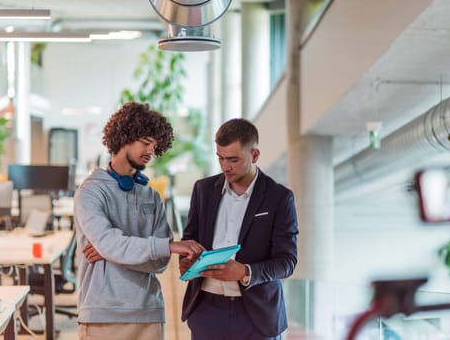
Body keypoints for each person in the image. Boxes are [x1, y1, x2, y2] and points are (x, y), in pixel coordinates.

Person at [74, 102, 204, 340]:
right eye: (145, 143)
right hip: (103, 314)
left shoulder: (151, 195)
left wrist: (113, 252)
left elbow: (160, 263)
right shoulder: (90, 192)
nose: (150, 151)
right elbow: (111, 243)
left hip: (148, 313)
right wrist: (161, 246)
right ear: (124, 137)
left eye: (155, 146)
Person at [179, 118, 299, 340]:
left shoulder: (279, 198)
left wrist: (245, 272)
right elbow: (190, 239)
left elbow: (287, 262)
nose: (225, 166)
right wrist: (186, 261)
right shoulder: (203, 190)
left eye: (233, 159)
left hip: (257, 315)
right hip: (206, 310)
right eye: (221, 158)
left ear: (254, 155)